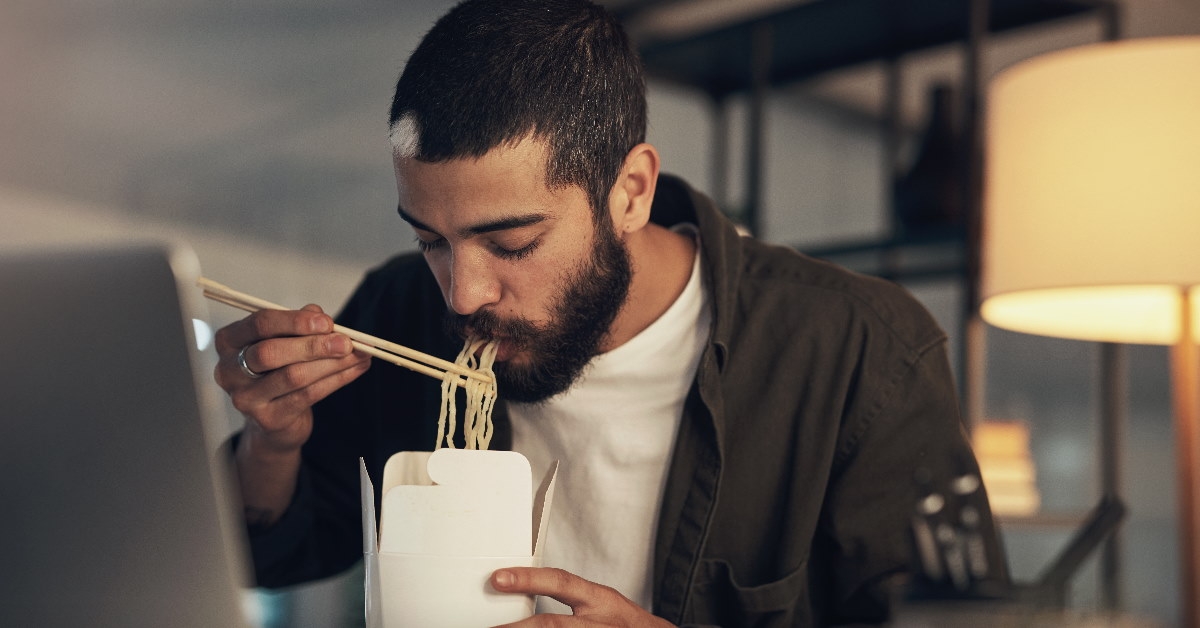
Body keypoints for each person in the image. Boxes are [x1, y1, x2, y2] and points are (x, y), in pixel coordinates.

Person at [213, 0, 1007, 625]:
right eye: (431, 241)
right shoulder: (397, 308)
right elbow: (276, 554)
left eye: (513, 243)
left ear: (629, 190)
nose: (462, 295)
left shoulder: (860, 353)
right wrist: (271, 441)